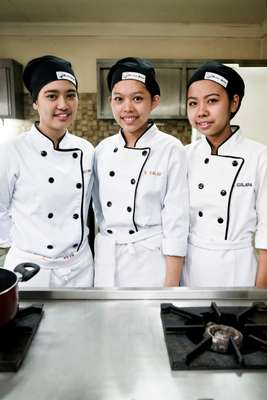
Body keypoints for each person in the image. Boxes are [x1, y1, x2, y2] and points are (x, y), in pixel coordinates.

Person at [93, 57, 189, 287]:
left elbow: (176, 220)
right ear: (110, 102)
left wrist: (171, 286)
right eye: (119, 99)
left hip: (150, 261)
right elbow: (96, 212)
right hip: (106, 260)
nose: (127, 108)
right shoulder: (102, 150)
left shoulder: (171, 148)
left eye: (137, 98)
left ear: (154, 101)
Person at [0, 55, 94, 287]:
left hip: (79, 269)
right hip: (30, 270)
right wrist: (27, 243)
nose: (63, 104)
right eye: (52, 96)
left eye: (70, 95)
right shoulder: (12, 150)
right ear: (35, 102)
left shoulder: (87, 150)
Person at [181, 61, 267, 288]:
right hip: (191, 268)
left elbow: (266, 233)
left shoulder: (260, 156)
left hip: (238, 271)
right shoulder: (183, 156)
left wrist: (259, 295)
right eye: (193, 103)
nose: (201, 112)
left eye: (212, 101)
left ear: (234, 102)